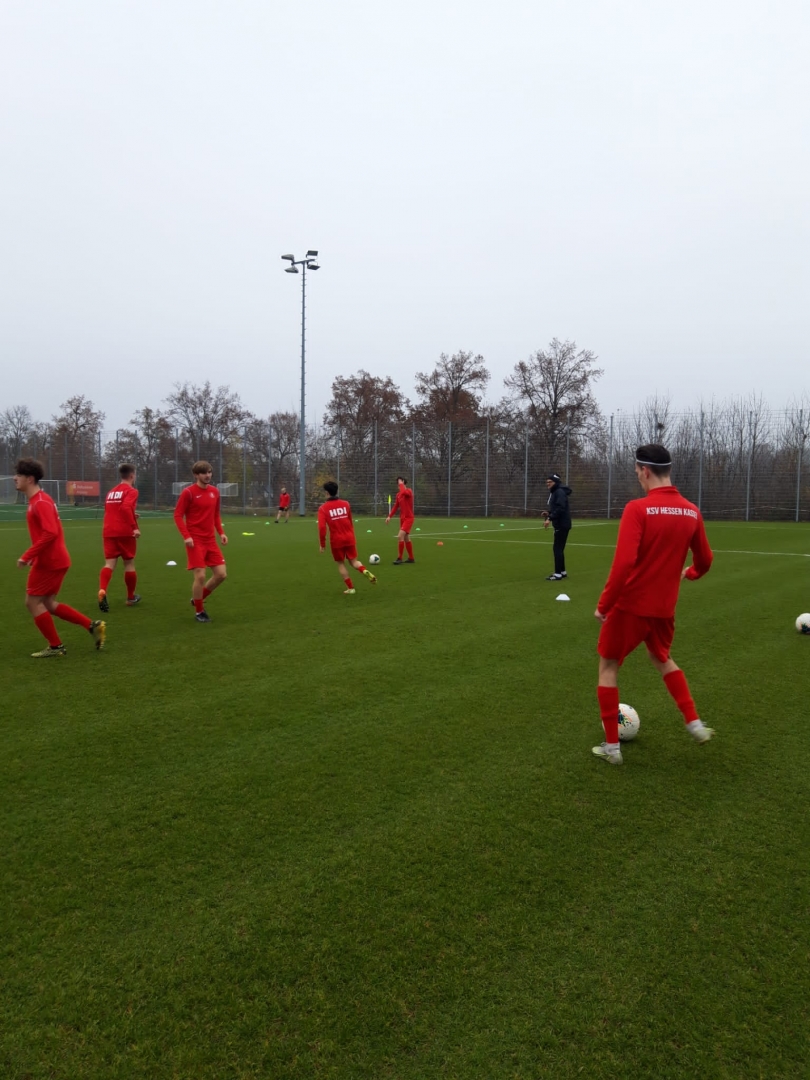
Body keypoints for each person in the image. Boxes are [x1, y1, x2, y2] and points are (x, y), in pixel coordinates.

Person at [592, 444, 714, 765]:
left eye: (637, 475)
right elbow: (706, 559)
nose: (639, 481)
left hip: (631, 606)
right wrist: (691, 572)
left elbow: (623, 565)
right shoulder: (691, 511)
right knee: (662, 658)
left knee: (608, 667)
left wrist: (604, 606)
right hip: (664, 609)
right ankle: (694, 722)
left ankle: (612, 748)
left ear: (645, 471)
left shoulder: (638, 508)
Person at [14, 458, 106, 658]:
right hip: (53, 559)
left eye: (19, 475)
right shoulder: (39, 500)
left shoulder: (40, 502)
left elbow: (50, 533)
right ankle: (92, 626)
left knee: (32, 602)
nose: (15, 478)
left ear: (29, 479)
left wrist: (27, 555)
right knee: (47, 603)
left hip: (50, 562)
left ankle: (56, 647)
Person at [174, 461, 229, 623]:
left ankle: (197, 598)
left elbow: (216, 515)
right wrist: (187, 536)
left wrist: (221, 533)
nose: (207, 475)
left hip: (210, 540)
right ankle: (199, 611)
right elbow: (177, 515)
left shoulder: (215, 492)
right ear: (196, 475)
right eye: (204, 473)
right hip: (195, 540)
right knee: (200, 576)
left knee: (221, 575)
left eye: (209, 472)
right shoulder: (188, 493)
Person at [318, 481, 377, 594]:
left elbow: (322, 528)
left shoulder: (323, 508)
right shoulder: (346, 504)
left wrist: (322, 543)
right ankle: (364, 571)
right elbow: (350, 521)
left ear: (326, 493)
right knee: (354, 561)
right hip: (349, 537)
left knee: (341, 563)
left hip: (337, 540)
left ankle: (351, 588)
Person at [98, 463, 141, 611]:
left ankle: (102, 590)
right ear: (131, 475)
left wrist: (132, 515)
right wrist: (134, 527)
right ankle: (130, 597)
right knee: (129, 564)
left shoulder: (111, 492)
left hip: (109, 531)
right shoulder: (132, 491)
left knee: (109, 564)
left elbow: (113, 510)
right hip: (124, 532)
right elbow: (125, 507)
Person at [542, 473, 572, 581]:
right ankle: (562, 572)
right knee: (559, 549)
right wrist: (549, 513)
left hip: (562, 524)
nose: (548, 484)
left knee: (557, 549)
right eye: (547, 482)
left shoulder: (559, 492)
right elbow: (557, 508)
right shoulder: (557, 492)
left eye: (550, 482)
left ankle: (558, 574)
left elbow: (560, 508)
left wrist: (549, 519)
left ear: (556, 482)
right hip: (562, 524)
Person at [385, 476, 415, 564]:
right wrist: (389, 516)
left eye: (400, 484)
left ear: (403, 483)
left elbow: (404, 492)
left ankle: (400, 558)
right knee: (406, 538)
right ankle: (411, 558)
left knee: (400, 536)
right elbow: (395, 507)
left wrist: (401, 483)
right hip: (402, 519)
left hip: (409, 518)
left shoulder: (408, 491)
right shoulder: (398, 495)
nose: (398, 486)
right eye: (398, 485)